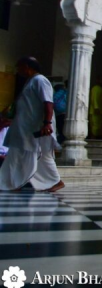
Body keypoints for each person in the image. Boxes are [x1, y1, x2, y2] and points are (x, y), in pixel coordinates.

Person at [0, 57, 63, 192]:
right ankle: (56, 181)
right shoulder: (31, 81)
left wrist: (47, 123)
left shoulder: (40, 80)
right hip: (26, 126)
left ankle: (13, 184)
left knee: (20, 154)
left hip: (35, 127)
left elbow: (48, 103)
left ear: (28, 66)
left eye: (20, 66)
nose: (18, 70)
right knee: (41, 156)